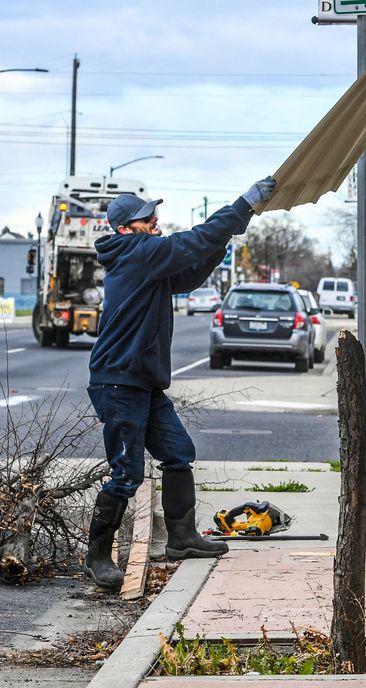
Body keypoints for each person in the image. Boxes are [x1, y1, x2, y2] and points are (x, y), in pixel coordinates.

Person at [83, 177, 276, 589]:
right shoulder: (135, 252)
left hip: (143, 383)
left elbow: (185, 276)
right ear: (124, 229)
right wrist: (241, 207)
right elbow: (190, 241)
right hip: (118, 382)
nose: (155, 221)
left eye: (153, 215)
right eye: (145, 218)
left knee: (177, 452)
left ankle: (183, 539)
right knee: (125, 474)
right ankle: (97, 557)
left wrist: (221, 244)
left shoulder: (145, 261)